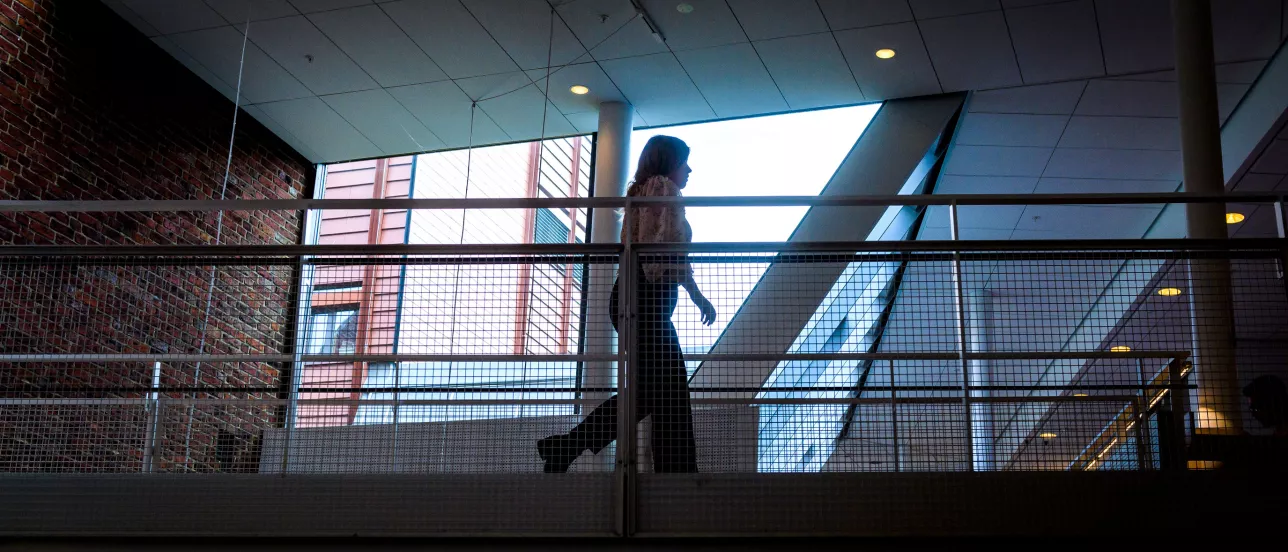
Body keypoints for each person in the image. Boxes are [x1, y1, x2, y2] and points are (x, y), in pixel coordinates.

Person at [537, 135, 716, 473]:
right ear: (668, 163)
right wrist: (679, 290)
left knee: (660, 386)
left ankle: (567, 446)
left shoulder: (644, 190)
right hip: (646, 300)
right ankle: (673, 471)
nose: (689, 169)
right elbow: (657, 249)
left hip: (639, 299)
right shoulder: (663, 188)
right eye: (684, 162)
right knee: (665, 386)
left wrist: (693, 295)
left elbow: (660, 249)